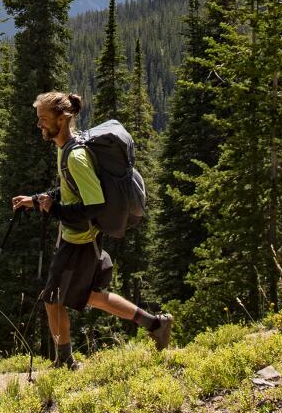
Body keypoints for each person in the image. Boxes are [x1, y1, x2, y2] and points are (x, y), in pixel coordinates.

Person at [11, 91, 173, 367]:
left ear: (61, 120)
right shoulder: (65, 149)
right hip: (79, 239)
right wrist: (38, 201)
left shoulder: (76, 157)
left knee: (53, 299)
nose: (39, 125)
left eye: (43, 120)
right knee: (90, 296)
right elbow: (70, 190)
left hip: (79, 241)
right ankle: (155, 324)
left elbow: (94, 204)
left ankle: (65, 361)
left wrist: (56, 210)